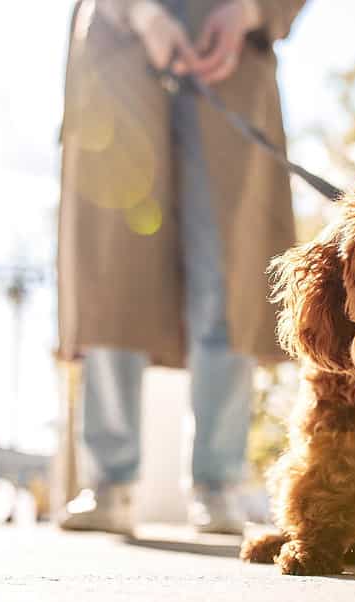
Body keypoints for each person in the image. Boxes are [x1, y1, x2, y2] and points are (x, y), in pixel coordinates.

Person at [56, 0, 304, 534]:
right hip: (118, 58)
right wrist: (142, 12)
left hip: (231, 65)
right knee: (112, 272)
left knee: (229, 275)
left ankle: (219, 483)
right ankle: (109, 482)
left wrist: (249, 11)